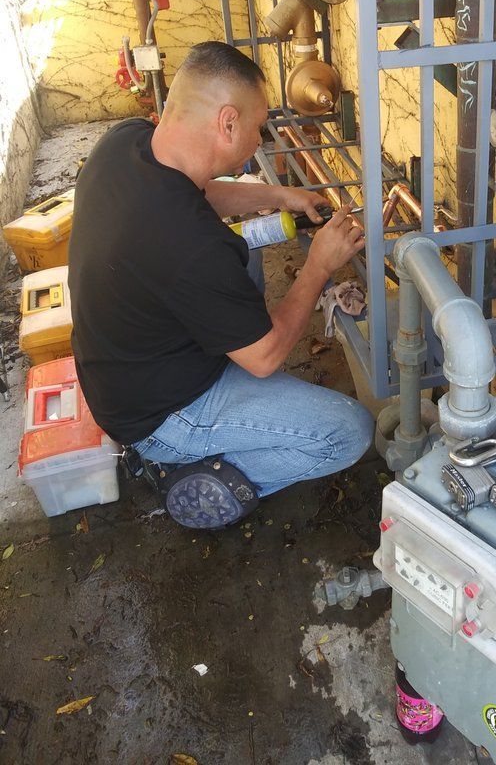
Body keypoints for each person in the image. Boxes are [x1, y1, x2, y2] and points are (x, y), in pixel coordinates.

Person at [68, 41, 373, 517]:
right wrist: (318, 265)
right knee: (349, 431)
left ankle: (227, 420)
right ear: (228, 123)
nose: (260, 139)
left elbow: (199, 194)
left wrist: (280, 195)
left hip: (119, 372)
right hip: (160, 415)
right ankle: (197, 477)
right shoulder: (192, 247)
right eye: (257, 127)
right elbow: (265, 356)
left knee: (244, 260)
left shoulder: (123, 143)